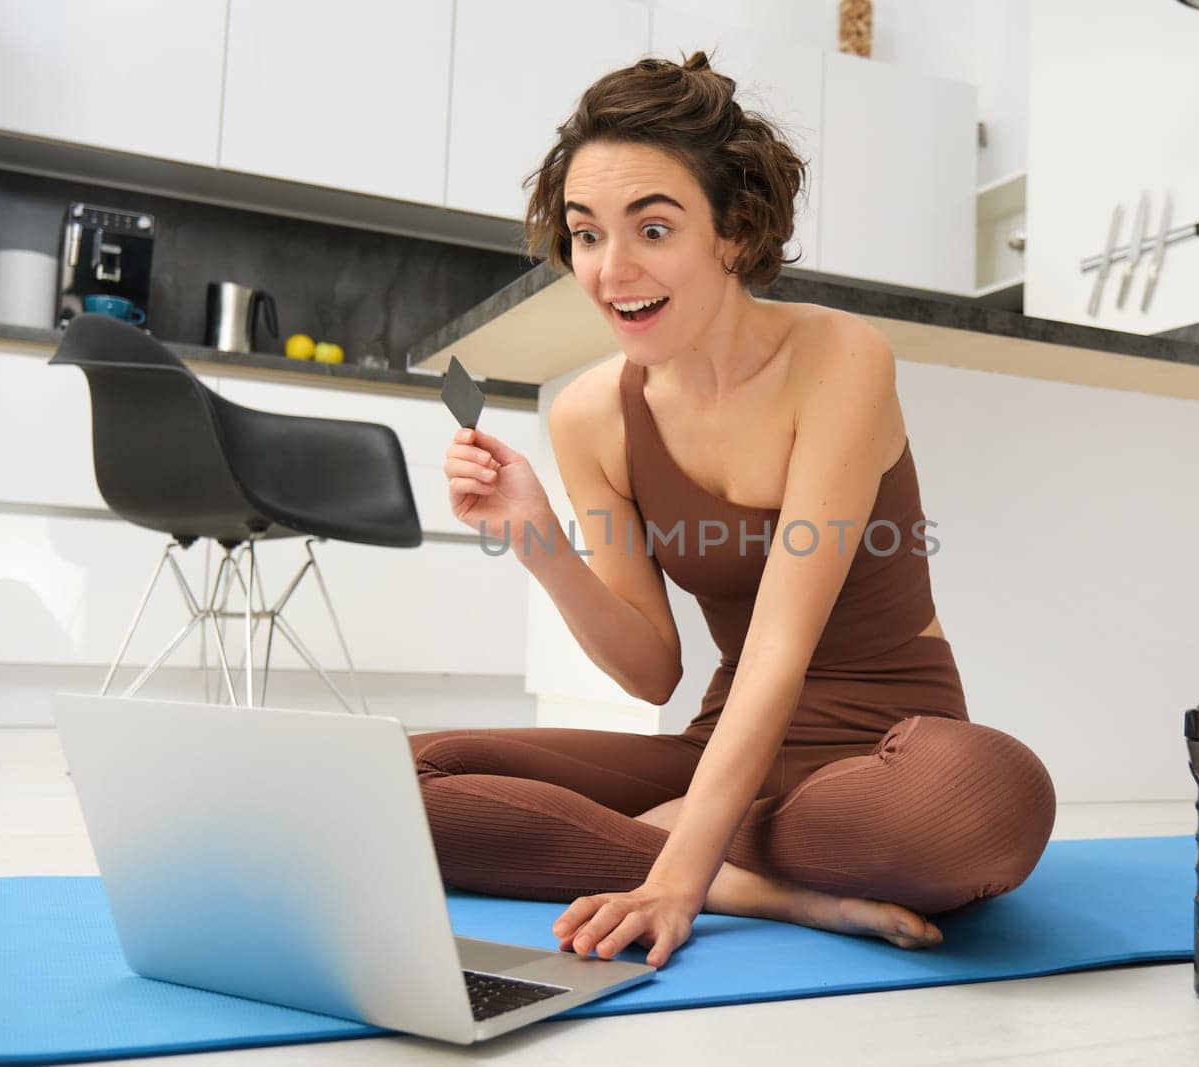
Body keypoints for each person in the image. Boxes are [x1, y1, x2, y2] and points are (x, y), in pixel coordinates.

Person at [408, 51, 1055, 970]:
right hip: (724, 746)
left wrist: (672, 873)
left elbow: (782, 648)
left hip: (884, 756)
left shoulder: (840, 359)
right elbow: (650, 670)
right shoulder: (593, 413)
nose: (611, 269)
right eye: (587, 235)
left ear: (735, 231)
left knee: (981, 804)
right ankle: (754, 883)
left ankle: (673, 843)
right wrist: (536, 539)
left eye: (654, 228)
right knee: (404, 778)